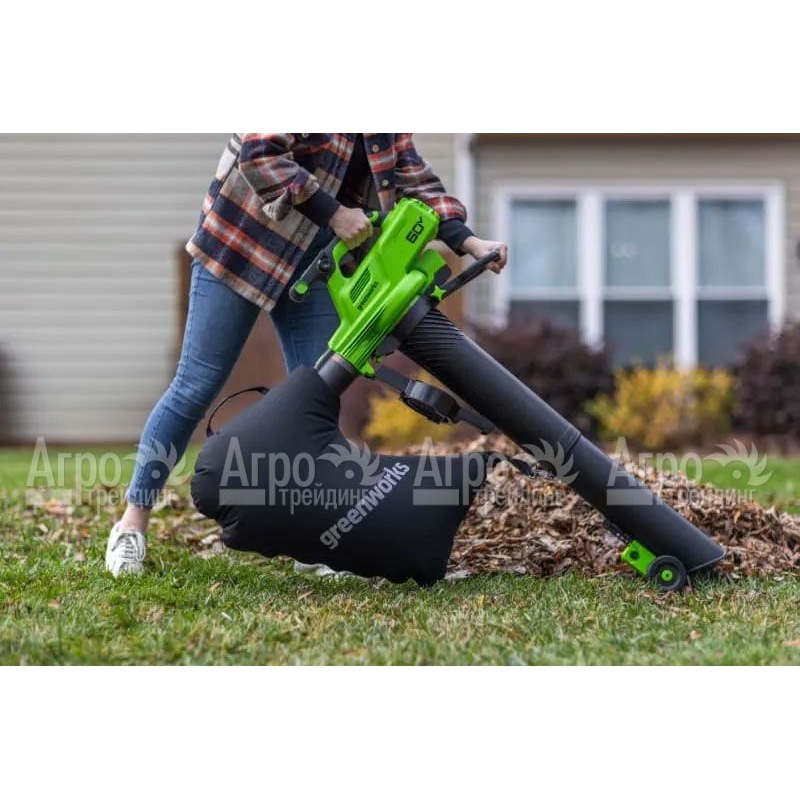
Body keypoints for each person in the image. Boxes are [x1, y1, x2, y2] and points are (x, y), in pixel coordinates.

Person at [105, 133, 508, 576]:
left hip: (315, 261)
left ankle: (309, 543)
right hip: (243, 243)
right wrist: (334, 213)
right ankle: (131, 525)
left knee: (318, 397)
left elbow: (416, 182)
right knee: (195, 385)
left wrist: (470, 242)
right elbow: (259, 154)